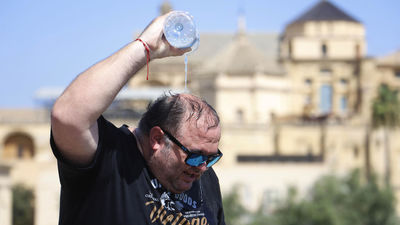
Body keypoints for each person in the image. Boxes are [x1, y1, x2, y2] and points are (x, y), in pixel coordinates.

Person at [50, 11, 226, 225]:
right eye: (196, 156)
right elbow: (67, 115)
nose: (203, 167)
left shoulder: (203, 177)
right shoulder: (111, 159)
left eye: (211, 157)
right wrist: (145, 48)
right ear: (157, 139)